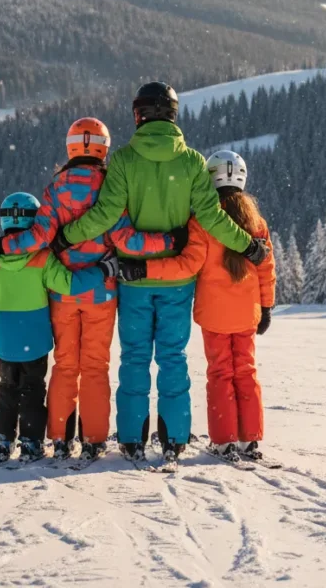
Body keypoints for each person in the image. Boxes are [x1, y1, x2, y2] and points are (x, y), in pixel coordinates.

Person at [59, 83, 266, 463]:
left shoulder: (122, 161)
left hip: (134, 280)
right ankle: (174, 438)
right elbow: (212, 218)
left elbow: (104, 216)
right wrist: (246, 245)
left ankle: (134, 438)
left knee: (135, 357)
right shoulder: (189, 162)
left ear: (139, 115)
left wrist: (65, 236)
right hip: (177, 281)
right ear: (173, 114)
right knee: (172, 357)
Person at [0, 119, 174, 461]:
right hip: (101, 291)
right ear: (103, 147)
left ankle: (59, 436)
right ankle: (93, 438)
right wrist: (167, 240)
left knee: (64, 365)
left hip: (62, 292)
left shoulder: (56, 188)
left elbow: (40, 237)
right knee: (95, 366)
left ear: (70, 146)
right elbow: (125, 238)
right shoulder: (112, 186)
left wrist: (4, 246)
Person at [120, 150, 276, 460]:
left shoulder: (204, 221)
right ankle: (250, 438)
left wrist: (146, 269)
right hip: (247, 313)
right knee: (245, 371)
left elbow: (185, 266)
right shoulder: (256, 222)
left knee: (220, 373)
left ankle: (224, 439)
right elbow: (266, 266)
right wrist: (266, 306)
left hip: (215, 316)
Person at [0, 190, 117, 464]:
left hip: (5, 342)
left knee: (6, 387)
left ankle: (3, 441)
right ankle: (31, 442)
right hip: (36, 342)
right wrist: (103, 270)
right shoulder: (42, 259)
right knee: (32, 389)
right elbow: (69, 284)